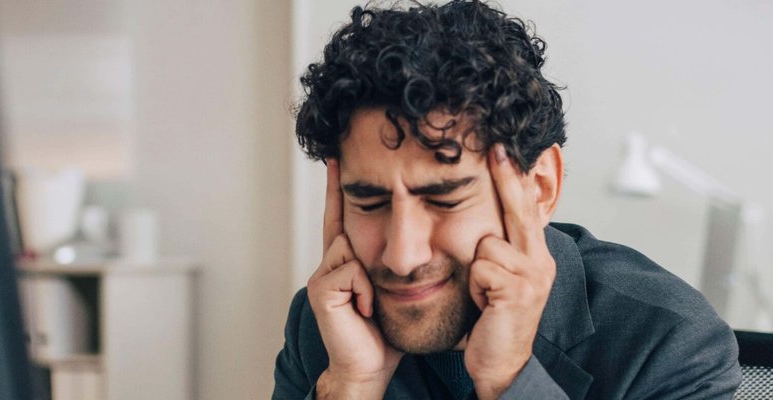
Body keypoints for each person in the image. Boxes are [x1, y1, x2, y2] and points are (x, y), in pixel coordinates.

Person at [272, 1, 740, 399]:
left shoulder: (670, 342)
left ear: (540, 188)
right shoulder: (327, 324)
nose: (401, 256)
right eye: (370, 202)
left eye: (446, 200)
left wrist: (509, 379)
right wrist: (351, 385)